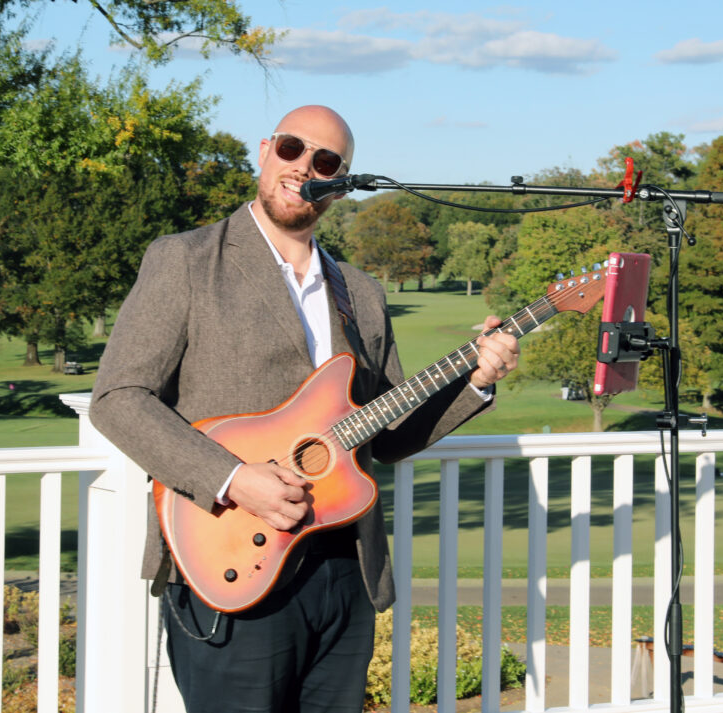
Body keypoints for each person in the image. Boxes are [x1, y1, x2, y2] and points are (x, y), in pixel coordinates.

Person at [89, 105, 520, 713]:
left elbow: (388, 435)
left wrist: (473, 381)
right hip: (231, 556)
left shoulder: (360, 293)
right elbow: (118, 398)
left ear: (340, 185)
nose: (304, 168)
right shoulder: (186, 260)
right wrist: (234, 479)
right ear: (265, 151)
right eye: (292, 149)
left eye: (326, 162)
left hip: (344, 566)